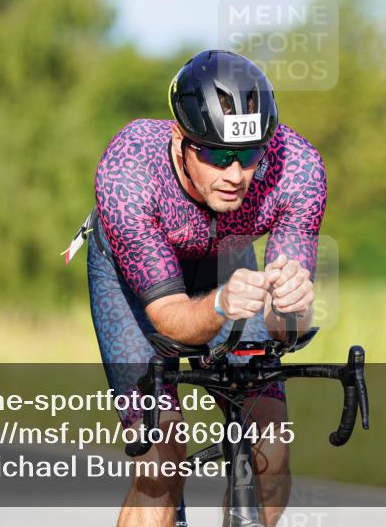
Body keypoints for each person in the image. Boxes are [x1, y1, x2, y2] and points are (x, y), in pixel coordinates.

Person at [79, 49, 327, 526]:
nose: (235, 174)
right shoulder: (128, 172)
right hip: (137, 281)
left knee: (271, 444)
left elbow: (283, 330)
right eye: (216, 154)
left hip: (227, 262)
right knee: (162, 456)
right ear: (181, 139)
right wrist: (218, 304)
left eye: (249, 153)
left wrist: (292, 308)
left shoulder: (296, 169)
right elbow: (171, 317)